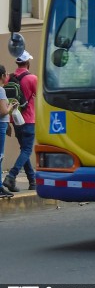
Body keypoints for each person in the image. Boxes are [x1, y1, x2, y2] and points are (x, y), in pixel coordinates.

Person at [3, 51, 37, 193]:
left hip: (15, 119)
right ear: (28, 63)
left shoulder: (9, 77)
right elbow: (40, 95)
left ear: (17, 62)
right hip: (28, 119)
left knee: (24, 149)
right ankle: (11, 176)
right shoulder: (32, 78)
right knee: (27, 150)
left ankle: (32, 181)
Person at [0, 64, 19, 197]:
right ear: (2, 76)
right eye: (6, 74)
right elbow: (3, 111)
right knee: (0, 156)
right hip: (1, 124)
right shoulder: (1, 90)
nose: (7, 76)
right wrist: (11, 107)